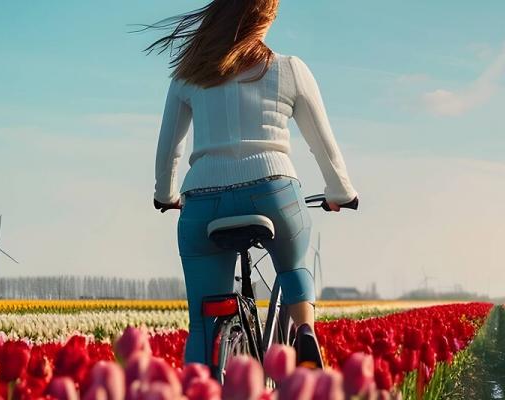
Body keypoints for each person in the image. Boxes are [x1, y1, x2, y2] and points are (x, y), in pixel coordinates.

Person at [142, 0, 358, 367]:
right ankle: (304, 331)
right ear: (264, 19)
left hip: (202, 202)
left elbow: (168, 151)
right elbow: (323, 144)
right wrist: (341, 192)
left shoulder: (188, 75)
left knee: (202, 323)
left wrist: (166, 195)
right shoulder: (290, 69)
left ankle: (204, 383)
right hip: (274, 192)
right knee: (293, 266)